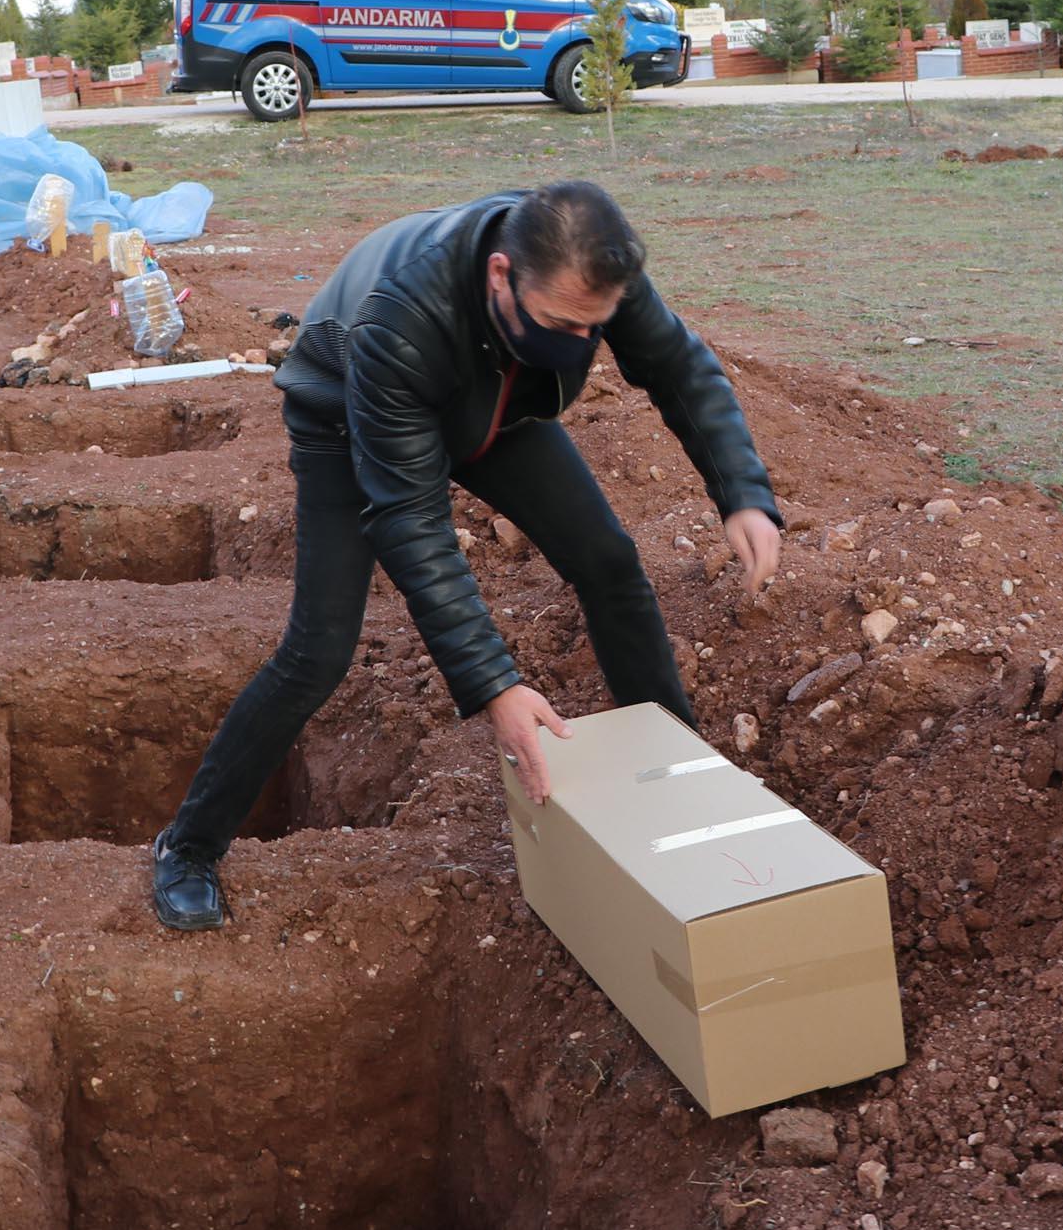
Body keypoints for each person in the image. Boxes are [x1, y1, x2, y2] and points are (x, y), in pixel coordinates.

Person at [150, 180, 783, 931]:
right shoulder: (402, 320)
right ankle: (188, 847)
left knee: (609, 562)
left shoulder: (591, 266)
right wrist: (496, 687)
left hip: (494, 403)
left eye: (594, 329)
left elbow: (679, 368)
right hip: (350, 410)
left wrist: (742, 491)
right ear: (499, 276)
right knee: (318, 651)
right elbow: (411, 522)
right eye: (560, 325)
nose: (580, 345)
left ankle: (679, 778)